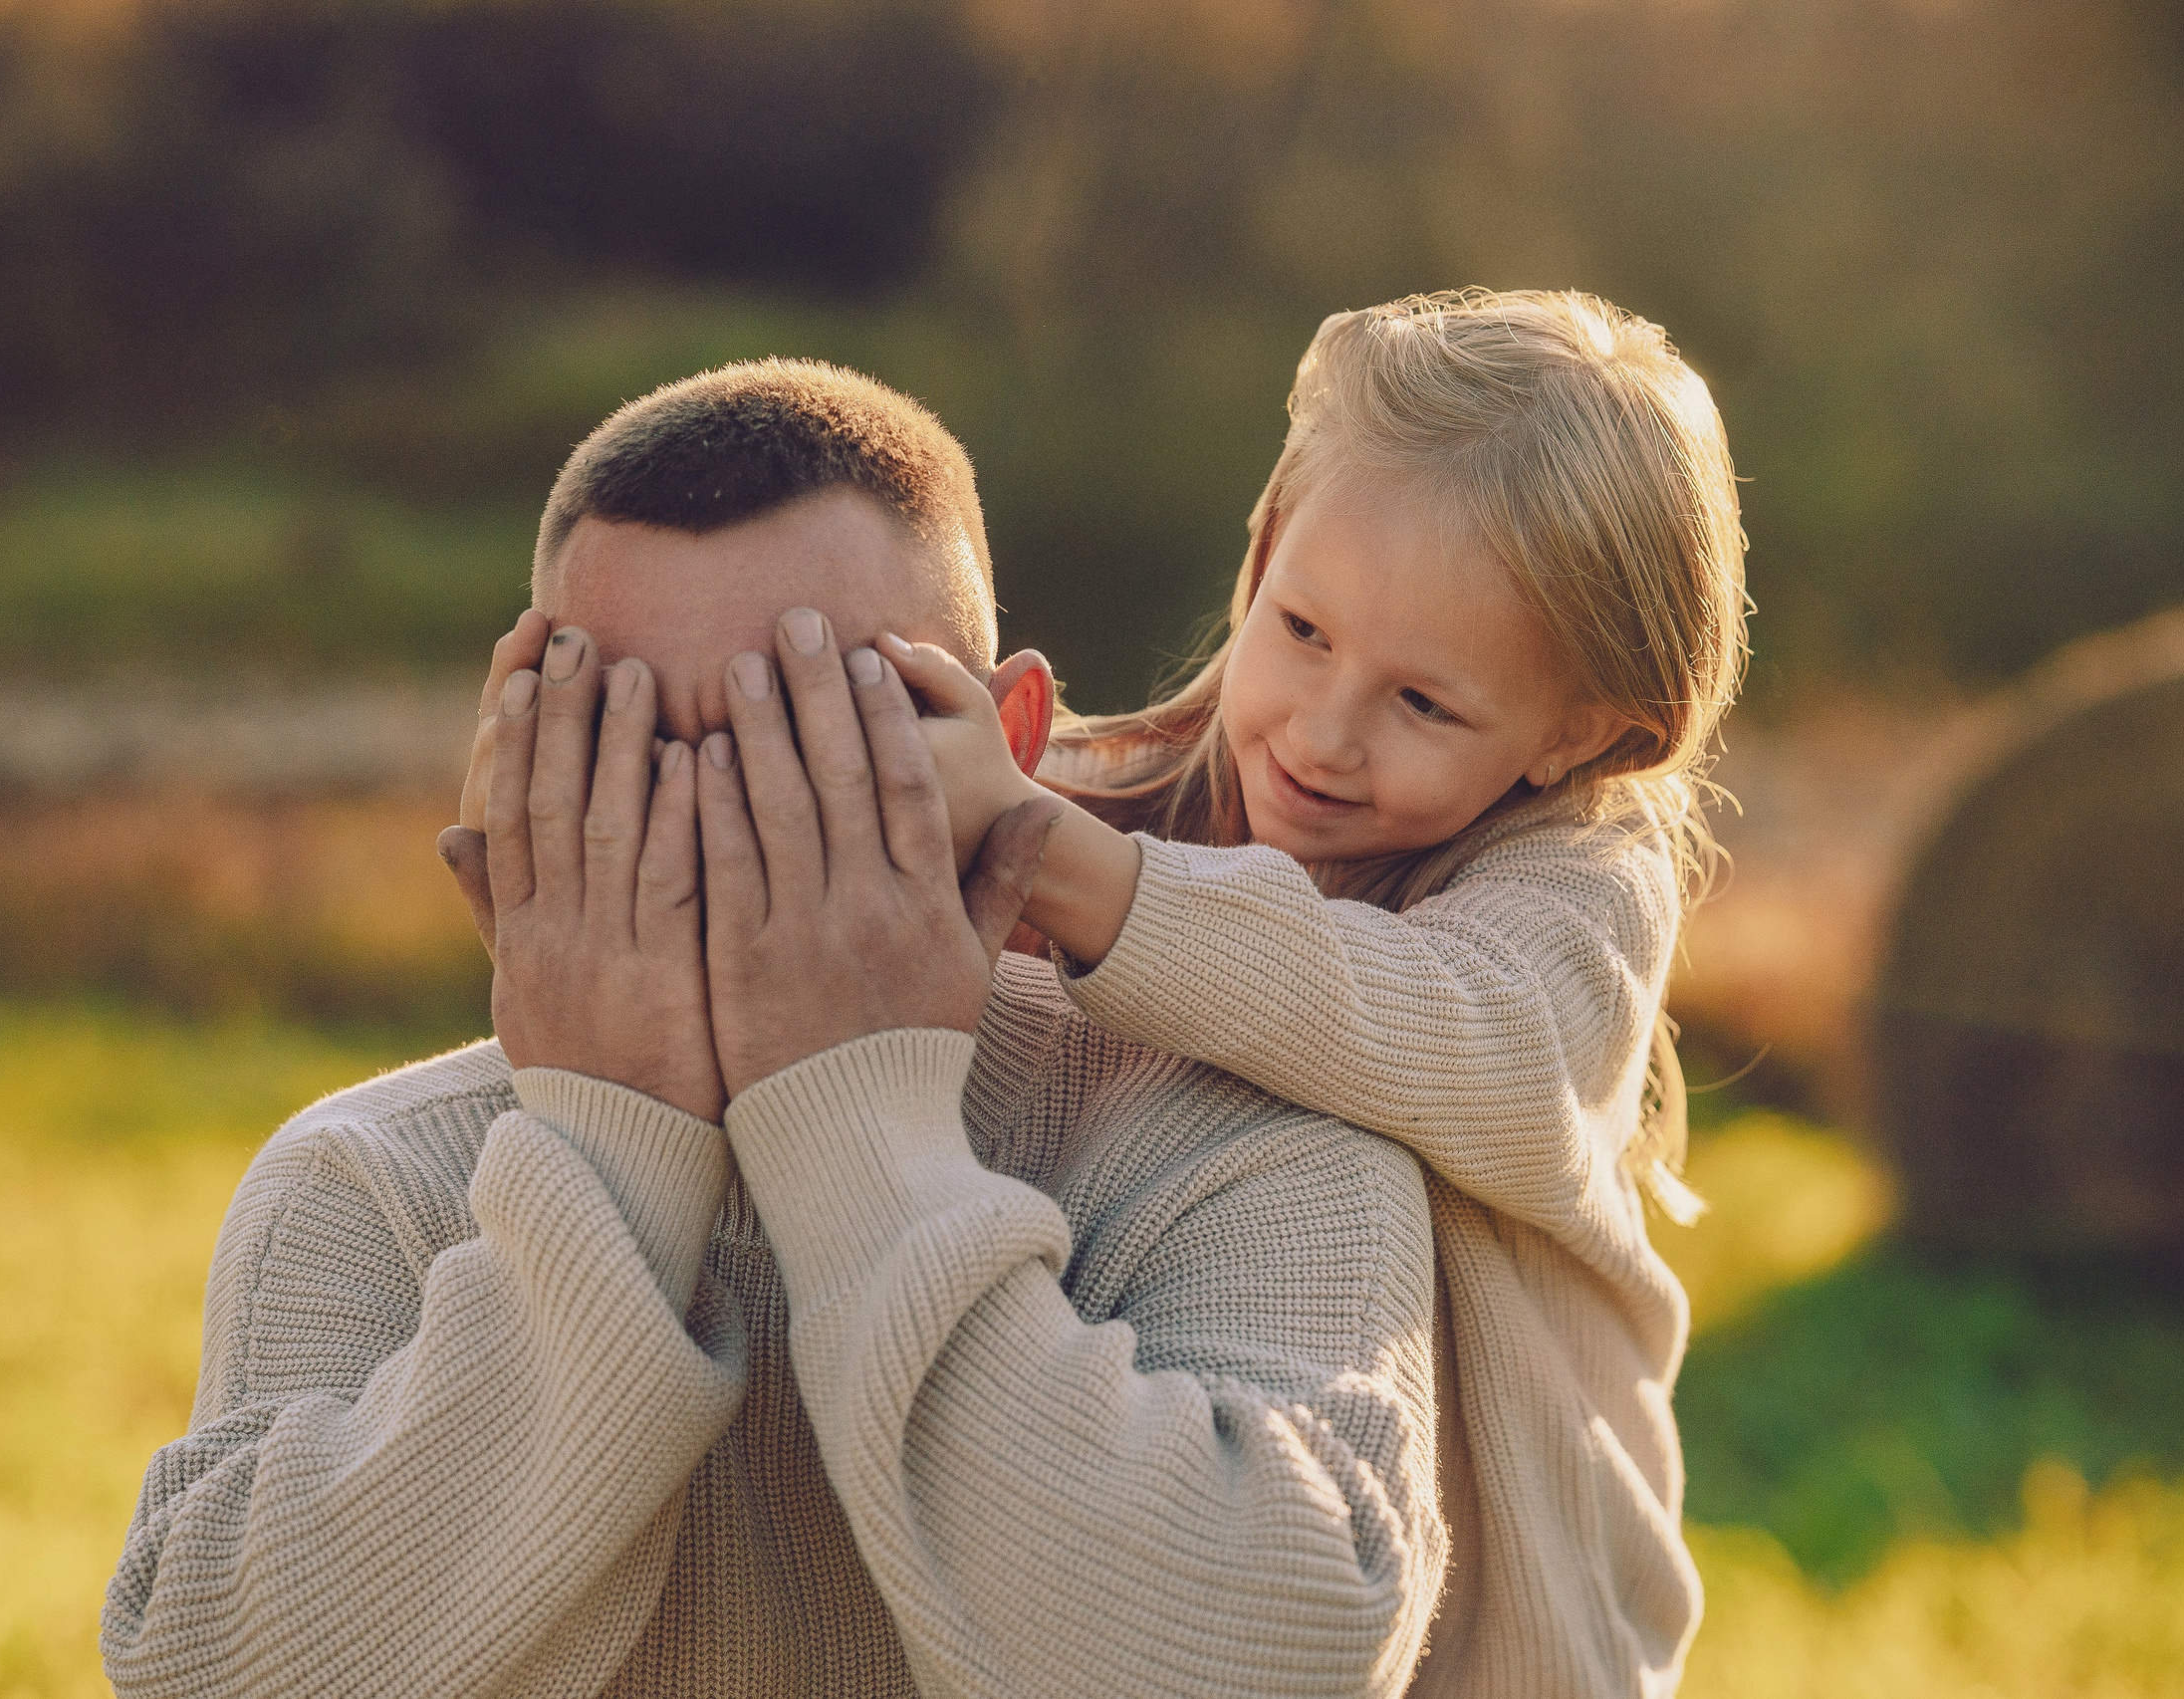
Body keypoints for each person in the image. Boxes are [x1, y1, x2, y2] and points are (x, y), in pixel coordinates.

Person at [100, 359, 1454, 1697]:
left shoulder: (1250, 1142)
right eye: (627, 747)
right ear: (522, 769)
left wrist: (857, 1125)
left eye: (816, 736)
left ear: (1009, 739)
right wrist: (607, 1155)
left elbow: (1272, 1660)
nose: (725, 824)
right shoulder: (368, 1181)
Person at [892, 289, 1745, 1691]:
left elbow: (1465, 1032)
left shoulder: (1577, 883)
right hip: (1208, 1568)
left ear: (1584, 728)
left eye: (1426, 704)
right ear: (1265, 542)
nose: (1325, 733)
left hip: (1504, 1658)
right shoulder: (1104, 804)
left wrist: (1052, 863)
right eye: (1302, 629)